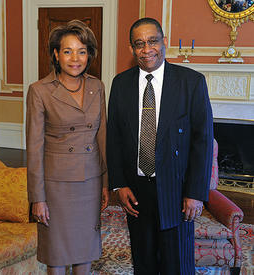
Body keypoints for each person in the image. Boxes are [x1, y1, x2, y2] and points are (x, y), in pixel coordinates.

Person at [107, 18, 213, 275]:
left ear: (164, 41)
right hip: (137, 191)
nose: (147, 49)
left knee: (176, 262)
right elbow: (114, 138)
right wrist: (119, 184)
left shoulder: (191, 82)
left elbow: (203, 141)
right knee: (144, 261)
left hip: (177, 190)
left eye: (152, 41)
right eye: (139, 44)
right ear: (132, 48)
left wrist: (196, 193)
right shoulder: (120, 84)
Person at [26, 20, 109, 275]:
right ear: (55, 54)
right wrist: (37, 198)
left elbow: (102, 137)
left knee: (85, 248)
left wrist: (106, 182)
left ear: (89, 55)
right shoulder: (39, 91)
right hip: (57, 185)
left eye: (82, 51)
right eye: (68, 51)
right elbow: (34, 148)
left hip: (90, 182)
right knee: (58, 253)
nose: (76, 58)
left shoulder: (97, 86)